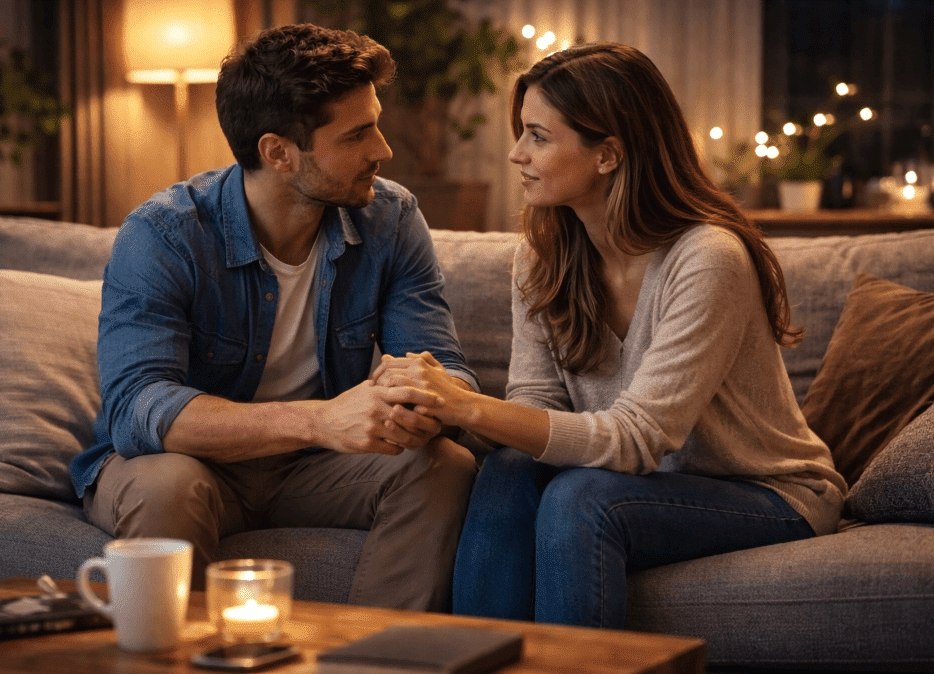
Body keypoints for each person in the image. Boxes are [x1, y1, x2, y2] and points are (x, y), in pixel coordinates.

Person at [372, 43, 848, 627]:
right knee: (507, 471)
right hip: (635, 482)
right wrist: (441, 406)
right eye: (521, 133)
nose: (516, 154)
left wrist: (466, 406)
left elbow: (638, 439)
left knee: (581, 501)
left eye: (538, 136)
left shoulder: (707, 258)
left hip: (766, 493)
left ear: (608, 155)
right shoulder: (543, 253)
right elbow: (536, 404)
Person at [68, 23, 480, 611]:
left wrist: (424, 403)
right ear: (278, 152)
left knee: (442, 464)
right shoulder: (164, 233)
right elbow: (140, 407)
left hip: (315, 471)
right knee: (169, 485)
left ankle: (377, 658)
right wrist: (321, 420)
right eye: (358, 133)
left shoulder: (391, 219)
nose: (383, 151)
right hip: (191, 464)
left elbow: (447, 368)